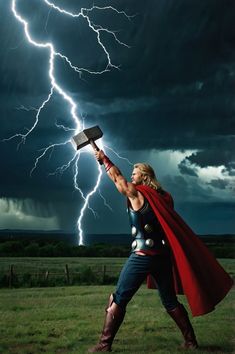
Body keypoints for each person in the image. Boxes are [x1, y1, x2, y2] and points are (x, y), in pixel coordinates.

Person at [88, 150, 233, 353]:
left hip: (142, 256)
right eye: (132, 173)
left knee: (118, 298)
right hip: (162, 257)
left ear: (145, 177)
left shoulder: (137, 194)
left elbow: (117, 179)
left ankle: (104, 345)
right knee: (169, 300)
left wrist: (104, 159)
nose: (132, 176)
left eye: (135, 173)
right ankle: (191, 342)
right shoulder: (164, 197)